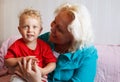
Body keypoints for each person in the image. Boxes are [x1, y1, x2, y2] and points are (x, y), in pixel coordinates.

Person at [10, 3, 98, 82]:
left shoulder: (88, 54)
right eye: (54, 21)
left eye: (59, 29)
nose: (52, 28)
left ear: (73, 37)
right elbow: (14, 66)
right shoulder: (44, 39)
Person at [4, 8, 56, 82]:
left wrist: (43, 71)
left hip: (39, 77)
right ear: (19, 29)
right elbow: (7, 61)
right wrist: (21, 59)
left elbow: (52, 64)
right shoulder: (16, 45)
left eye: (34, 27)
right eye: (26, 27)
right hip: (20, 76)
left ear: (40, 30)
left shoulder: (43, 46)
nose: (30, 30)